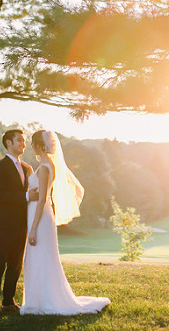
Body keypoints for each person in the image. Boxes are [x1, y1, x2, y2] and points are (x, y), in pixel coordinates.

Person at [20, 129, 110, 315]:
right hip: (37, 216)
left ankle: (44, 300)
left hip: (41, 218)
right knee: (37, 257)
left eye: (32, 143)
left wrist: (34, 228)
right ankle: (36, 299)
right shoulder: (46, 164)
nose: (30, 146)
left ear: (38, 145)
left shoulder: (45, 168)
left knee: (41, 256)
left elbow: (43, 199)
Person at [0, 129, 38, 319]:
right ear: (8, 143)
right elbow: (1, 195)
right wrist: (25, 196)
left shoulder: (26, 167)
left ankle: (8, 302)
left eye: (24, 141)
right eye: (20, 140)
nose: (23, 143)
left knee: (15, 265)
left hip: (21, 224)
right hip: (4, 225)